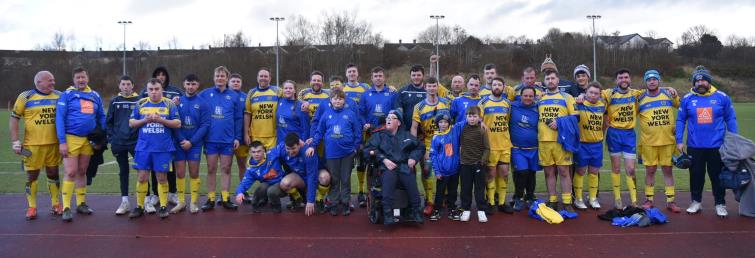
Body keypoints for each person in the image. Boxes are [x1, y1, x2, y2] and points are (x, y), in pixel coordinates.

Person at [676, 67, 737, 217]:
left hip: (717, 146)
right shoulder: (687, 99)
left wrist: (734, 138)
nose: (700, 83)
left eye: (703, 80)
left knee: (717, 176)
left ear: (709, 82)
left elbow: (730, 119)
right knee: (696, 175)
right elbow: (680, 120)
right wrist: (679, 140)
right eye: (697, 80)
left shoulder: (722, 97)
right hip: (695, 146)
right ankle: (696, 202)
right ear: (694, 83)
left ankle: (720, 204)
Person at [10, 71, 63, 220]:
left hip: (53, 144)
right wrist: (15, 141)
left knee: (53, 173)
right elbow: (14, 119)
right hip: (31, 147)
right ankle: (32, 207)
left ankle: (56, 204)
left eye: (53, 80)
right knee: (32, 175)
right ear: (39, 82)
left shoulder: (59, 95)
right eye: (50, 80)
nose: (53, 82)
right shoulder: (25, 96)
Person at [56, 67, 106, 222]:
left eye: (83, 77)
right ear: (74, 79)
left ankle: (81, 203)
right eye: (78, 78)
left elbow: (102, 117)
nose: (81, 80)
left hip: (88, 140)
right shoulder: (67, 95)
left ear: (88, 78)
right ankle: (66, 207)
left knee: (82, 171)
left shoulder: (94, 95)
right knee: (71, 171)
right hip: (71, 138)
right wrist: (62, 142)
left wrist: (101, 137)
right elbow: (59, 119)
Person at [127, 78, 181, 219]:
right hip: (144, 148)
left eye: (157, 89)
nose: (154, 92)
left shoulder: (169, 104)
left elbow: (177, 123)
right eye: (151, 89)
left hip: (163, 149)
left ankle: (163, 206)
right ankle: (139, 206)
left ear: (161, 89)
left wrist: (160, 120)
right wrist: (146, 120)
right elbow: (132, 123)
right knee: (142, 177)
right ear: (147, 90)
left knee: (161, 178)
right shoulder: (140, 104)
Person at [364, 109, 425, 225]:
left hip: (403, 166)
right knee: (388, 180)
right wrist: (383, 159)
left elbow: (420, 147)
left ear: (399, 122)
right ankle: (387, 213)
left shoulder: (407, 136)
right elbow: (368, 150)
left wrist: (413, 157)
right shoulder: (379, 135)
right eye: (387, 118)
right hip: (387, 167)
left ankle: (416, 211)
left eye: (392, 118)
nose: (388, 119)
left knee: (411, 183)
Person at [309, 88, 362, 216]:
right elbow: (319, 132)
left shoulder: (350, 114)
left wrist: (355, 148)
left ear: (344, 100)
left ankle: (345, 203)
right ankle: (333, 203)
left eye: (340, 98)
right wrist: (313, 146)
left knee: (345, 179)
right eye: (335, 98)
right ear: (331, 100)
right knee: (334, 179)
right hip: (332, 153)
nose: (337, 101)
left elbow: (358, 132)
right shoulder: (326, 114)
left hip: (348, 153)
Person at [637, 70, 682, 213]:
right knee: (650, 171)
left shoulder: (669, 94)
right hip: (648, 142)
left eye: (654, 79)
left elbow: (683, 109)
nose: (652, 81)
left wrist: (678, 127)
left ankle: (670, 201)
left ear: (659, 80)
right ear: (646, 82)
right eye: (649, 79)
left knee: (668, 170)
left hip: (668, 141)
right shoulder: (640, 98)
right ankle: (649, 200)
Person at [199, 66, 242, 211]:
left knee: (226, 168)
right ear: (213, 78)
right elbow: (191, 101)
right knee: (211, 169)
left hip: (227, 140)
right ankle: (210, 198)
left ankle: (225, 198)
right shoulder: (205, 94)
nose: (219, 78)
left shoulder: (234, 96)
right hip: (210, 139)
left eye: (222, 76)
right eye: (217, 76)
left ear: (227, 78)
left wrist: (237, 137)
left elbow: (238, 119)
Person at [142, 66, 184, 208]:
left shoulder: (175, 91)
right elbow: (141, 112)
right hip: (153, 136)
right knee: (155, 168)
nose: (161, 77)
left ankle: (172, 192)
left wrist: (178, 103)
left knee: (168, 167)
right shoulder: (145, 94)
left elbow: (182, 109)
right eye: (158, 74)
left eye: (163, 74)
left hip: (170, 136)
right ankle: (156, 194)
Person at [538, 69, 578, 213]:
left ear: (558, 80)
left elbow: (575, 117)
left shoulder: (567, 97)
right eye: (547, 79)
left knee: (564, 171)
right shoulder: (540, 98)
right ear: (544, 82)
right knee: (549, 172)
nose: (550, 81)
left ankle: (567, 202)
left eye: (552, 78)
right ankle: (552, 200)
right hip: (544, 141)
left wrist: (559, 122)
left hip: (561, 141)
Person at [602, 68, 642, 209]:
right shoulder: (608, 93)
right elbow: (591, 93)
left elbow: (653, 90)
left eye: (626, 77)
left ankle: (634, 200)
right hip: (614, 134)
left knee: (630, 169)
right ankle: (618, 198)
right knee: (616, 168)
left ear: (629, 79)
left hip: (629, 134)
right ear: (616, 80)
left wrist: (668, 87)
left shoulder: (636, 94)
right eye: (620, 78)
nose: (623, 80)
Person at [410, 77, 450, 216]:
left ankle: (443, 198)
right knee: (427, 170)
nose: (432, 88)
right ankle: (430, 201)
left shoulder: (446, 103)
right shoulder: (419, 106)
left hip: (446, 142)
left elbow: (454, 122)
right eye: (429, 86)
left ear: (438, 87)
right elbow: (414, 128)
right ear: (425, 87)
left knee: (446, 170)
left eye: (434, 85)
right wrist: (414, 145)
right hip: (429, 142)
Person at [172, 74, 210, 214]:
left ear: (198, 85)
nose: (190, 86)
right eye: (188, 84)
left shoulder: (203, 102)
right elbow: (174, 122)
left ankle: (193, 202)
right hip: (179, 143)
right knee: (180, 173)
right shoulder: (176, 102)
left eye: (193, 84)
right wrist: (182, 140)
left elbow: (205, 125)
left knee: (194, 173)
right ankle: (181, 202)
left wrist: (191, 141)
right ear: (184, 84)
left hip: (194, 144)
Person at [479, 76, 514, 214]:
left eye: (499, 84)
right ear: (491, 86)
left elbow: (508, 121)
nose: (497, 87)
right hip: (491, 146)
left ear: (503, 87)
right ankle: (491, 202)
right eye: (495, 85)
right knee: (491, 174)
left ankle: (502, 202)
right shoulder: (484, 102)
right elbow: (479, 121)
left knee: (504, 174)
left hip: (505, 144)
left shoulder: (507, 103)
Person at [105, 75, 140, 215]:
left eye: (128, 84)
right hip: (119, 143)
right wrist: (112, 139)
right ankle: (125, 201)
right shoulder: (114, 102)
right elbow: (109, 122)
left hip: (135, 142)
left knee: (141, 171)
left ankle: (145, 200)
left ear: (133, 86)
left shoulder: (140, 101)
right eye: (123, 84)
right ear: (119, 86)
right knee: (123, 171)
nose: (126, 87)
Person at [574, 82, 606, 210]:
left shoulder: (603, 105)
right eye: (591, 92)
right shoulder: (579, 103)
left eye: (596, 93)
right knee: (581, 171)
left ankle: (593, 198)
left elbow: (605, 123)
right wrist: (580, 96)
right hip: (582, 144)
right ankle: (578, 198)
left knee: (594, 172)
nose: (593, 95)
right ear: (586, 92)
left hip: (597, 144)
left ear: (600, 94)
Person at [343, 64, 372, 208]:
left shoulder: (365, 87)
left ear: (358, 73)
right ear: (346, 74)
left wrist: (391, 87)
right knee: (347, 165)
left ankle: (361, 192)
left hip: (363, 130)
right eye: (349, 72)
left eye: (354, 71)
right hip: (346, 131)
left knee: (362, 163)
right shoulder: (341, 89)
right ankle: (344, 196)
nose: (352, 73)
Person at [272, 133, 320, 215]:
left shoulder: (308, 153)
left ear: (299, 145)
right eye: (288, 149)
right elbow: (271, 157)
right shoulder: (281, 148)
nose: (290, 152)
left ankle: (320, 199)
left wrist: (310, 201)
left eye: (293, 148)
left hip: (312, 176)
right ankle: (298, 199)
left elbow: (312, 177)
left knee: (324, 178)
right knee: (284, 183)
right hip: (299, 177)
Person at [508, 86, 540, 211]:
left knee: (532, 173)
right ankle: (518, 197)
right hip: (517, 148)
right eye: (525, 95)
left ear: (534, 97)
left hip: (534, 148)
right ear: (520, 96)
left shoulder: (538, 108)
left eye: (530, 96)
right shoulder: (512, 106)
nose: (528, 98)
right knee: (521, 173)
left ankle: (530, 197)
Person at [457, 106, 490, 222]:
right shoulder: (462, 128)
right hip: (465, 164)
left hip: (478, 164)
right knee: (465, 188)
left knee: (479, 188)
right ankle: (466, 209)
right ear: (466, 117)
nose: (471, 119)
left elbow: (487, 148)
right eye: (469, 116)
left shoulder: (482, 130)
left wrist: (482, 161)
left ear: (479, 117)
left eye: (474, 116)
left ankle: (481, 210)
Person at [428, 112, 462, 221]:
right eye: (441, 122)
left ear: (449, 123)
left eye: (445, 122)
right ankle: (437, 210)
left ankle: (452, 209)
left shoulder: (454, 130)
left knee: (453, 191)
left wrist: (480, 120)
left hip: (455, 170)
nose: (443, 124)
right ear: (437, 124)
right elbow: (433, 155)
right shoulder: (436, 137)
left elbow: (464, 122)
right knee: (440, 192)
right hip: (442, 172)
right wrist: (437, 172)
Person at [234, 141, 285, 213]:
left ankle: (276, 206)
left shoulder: (272, 153)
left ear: (264, 150)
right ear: (250, 153)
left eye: (259, 151)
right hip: (267, 184)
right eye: (254, 152)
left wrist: (299, 141)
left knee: (271, 191)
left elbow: (283, 144)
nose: (256, 154)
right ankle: (255, 203)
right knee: (262, 187)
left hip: (281, 183)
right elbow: (244, 183)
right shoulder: (251, 169)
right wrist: (239, 192)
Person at [245, 68, 280, 150]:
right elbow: (247, 114)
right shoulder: (251, 93)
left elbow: (291, 97)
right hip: (256, 135)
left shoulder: (277, 91)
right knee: (258, 161)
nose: (263, 78)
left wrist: (303, 103)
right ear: (257, 78)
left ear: (270, 78)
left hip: (273, 136)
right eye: (261, 76)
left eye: (266, 76)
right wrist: (246, 134)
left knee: (271, 161)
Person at [229, 73, 249, 196]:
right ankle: (225, 193)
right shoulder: (223, 96)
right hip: (226, 138)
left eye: (238, 81)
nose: (236, 83)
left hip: (242, 138)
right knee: (226, 167)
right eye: (233, 81)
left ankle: (244, 191)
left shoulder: (246, 97)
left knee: (242, 165)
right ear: (228, 83)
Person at [276, 80, 310, 146]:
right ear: (283, 90)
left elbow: (305, 128)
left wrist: (304, 144)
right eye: (285, 88)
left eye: (290, 88)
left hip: (294, 145)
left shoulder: (301, 106)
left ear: (294, 90)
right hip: (280, 143)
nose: (288, 90)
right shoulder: (279, 101)